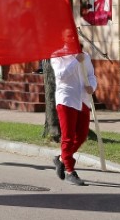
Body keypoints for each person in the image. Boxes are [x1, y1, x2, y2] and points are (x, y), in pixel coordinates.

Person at [51, 49, 97, 186]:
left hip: (82, 99)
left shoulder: (85, 55)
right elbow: (61, 76)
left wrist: (92, 86)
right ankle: (70, 171)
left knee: (82, 135)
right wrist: (76, 61)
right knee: (68, 137)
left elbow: (91, 75)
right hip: (67, 99)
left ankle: (61, 158)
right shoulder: (57, 55)